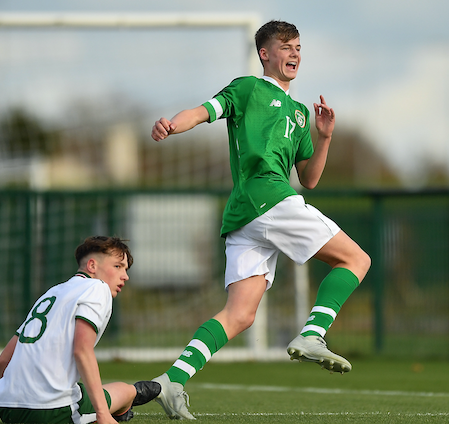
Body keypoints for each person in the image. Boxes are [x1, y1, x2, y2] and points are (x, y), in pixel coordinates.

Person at [150, 20, 371, 420]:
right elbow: (203, 112)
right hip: (267, 198)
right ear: (265, 54)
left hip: (246, 215)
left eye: (299, 47)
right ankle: (313, 335)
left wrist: (324, 137)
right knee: (356, 260)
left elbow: (311, 179)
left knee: (240, 315)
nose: (294, 54)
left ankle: (172, 381)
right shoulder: (247, 88)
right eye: (285, 46)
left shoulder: (302, 114)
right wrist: (171, 124)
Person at [0, 236, 161, 424]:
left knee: (79, 389)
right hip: (50, 410)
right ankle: (126, 402)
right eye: (118, 266)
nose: (125, 276)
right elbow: (82, 350)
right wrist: (103, 414)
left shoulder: (52, 293)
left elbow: (4, 359)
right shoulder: (98, 288)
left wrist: (14, 399)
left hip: (6, 407)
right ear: (92, 266)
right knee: (125, 391)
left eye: (126, 269)